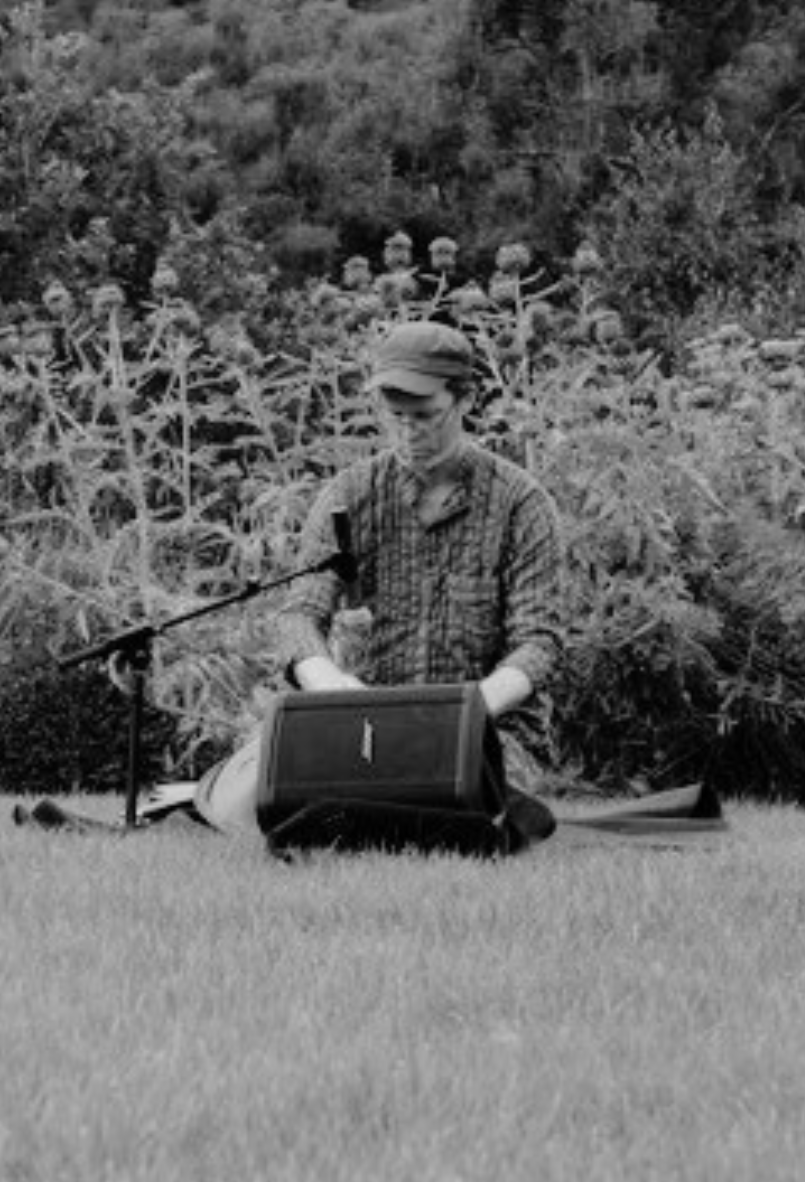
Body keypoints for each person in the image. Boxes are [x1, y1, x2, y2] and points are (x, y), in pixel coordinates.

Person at [176, 319, 565, 848]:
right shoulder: (349, 495)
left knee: (466, 804)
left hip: (485, 731)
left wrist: (467, 709)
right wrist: (332, 687)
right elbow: (298, 616)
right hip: (363, 729)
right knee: (253, 796)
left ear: (466, 399)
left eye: (425, 416)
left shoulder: (522, 503)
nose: (408, 431)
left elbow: (539, 642)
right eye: (394, 416)